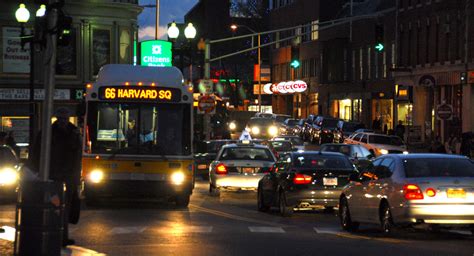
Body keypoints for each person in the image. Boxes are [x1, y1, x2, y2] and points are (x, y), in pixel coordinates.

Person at [29, 107, 82, 247]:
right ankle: (55, 235)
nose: (63, 121)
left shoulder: (73, 133)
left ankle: (62, 236)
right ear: (57, 119)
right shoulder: (50, 133)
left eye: (65, 118)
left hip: (66, 176)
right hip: (53, 176)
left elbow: (77, 157)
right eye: (61, 118)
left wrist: (76, 176)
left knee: (64, 208)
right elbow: (37, 153)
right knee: (55, 207)